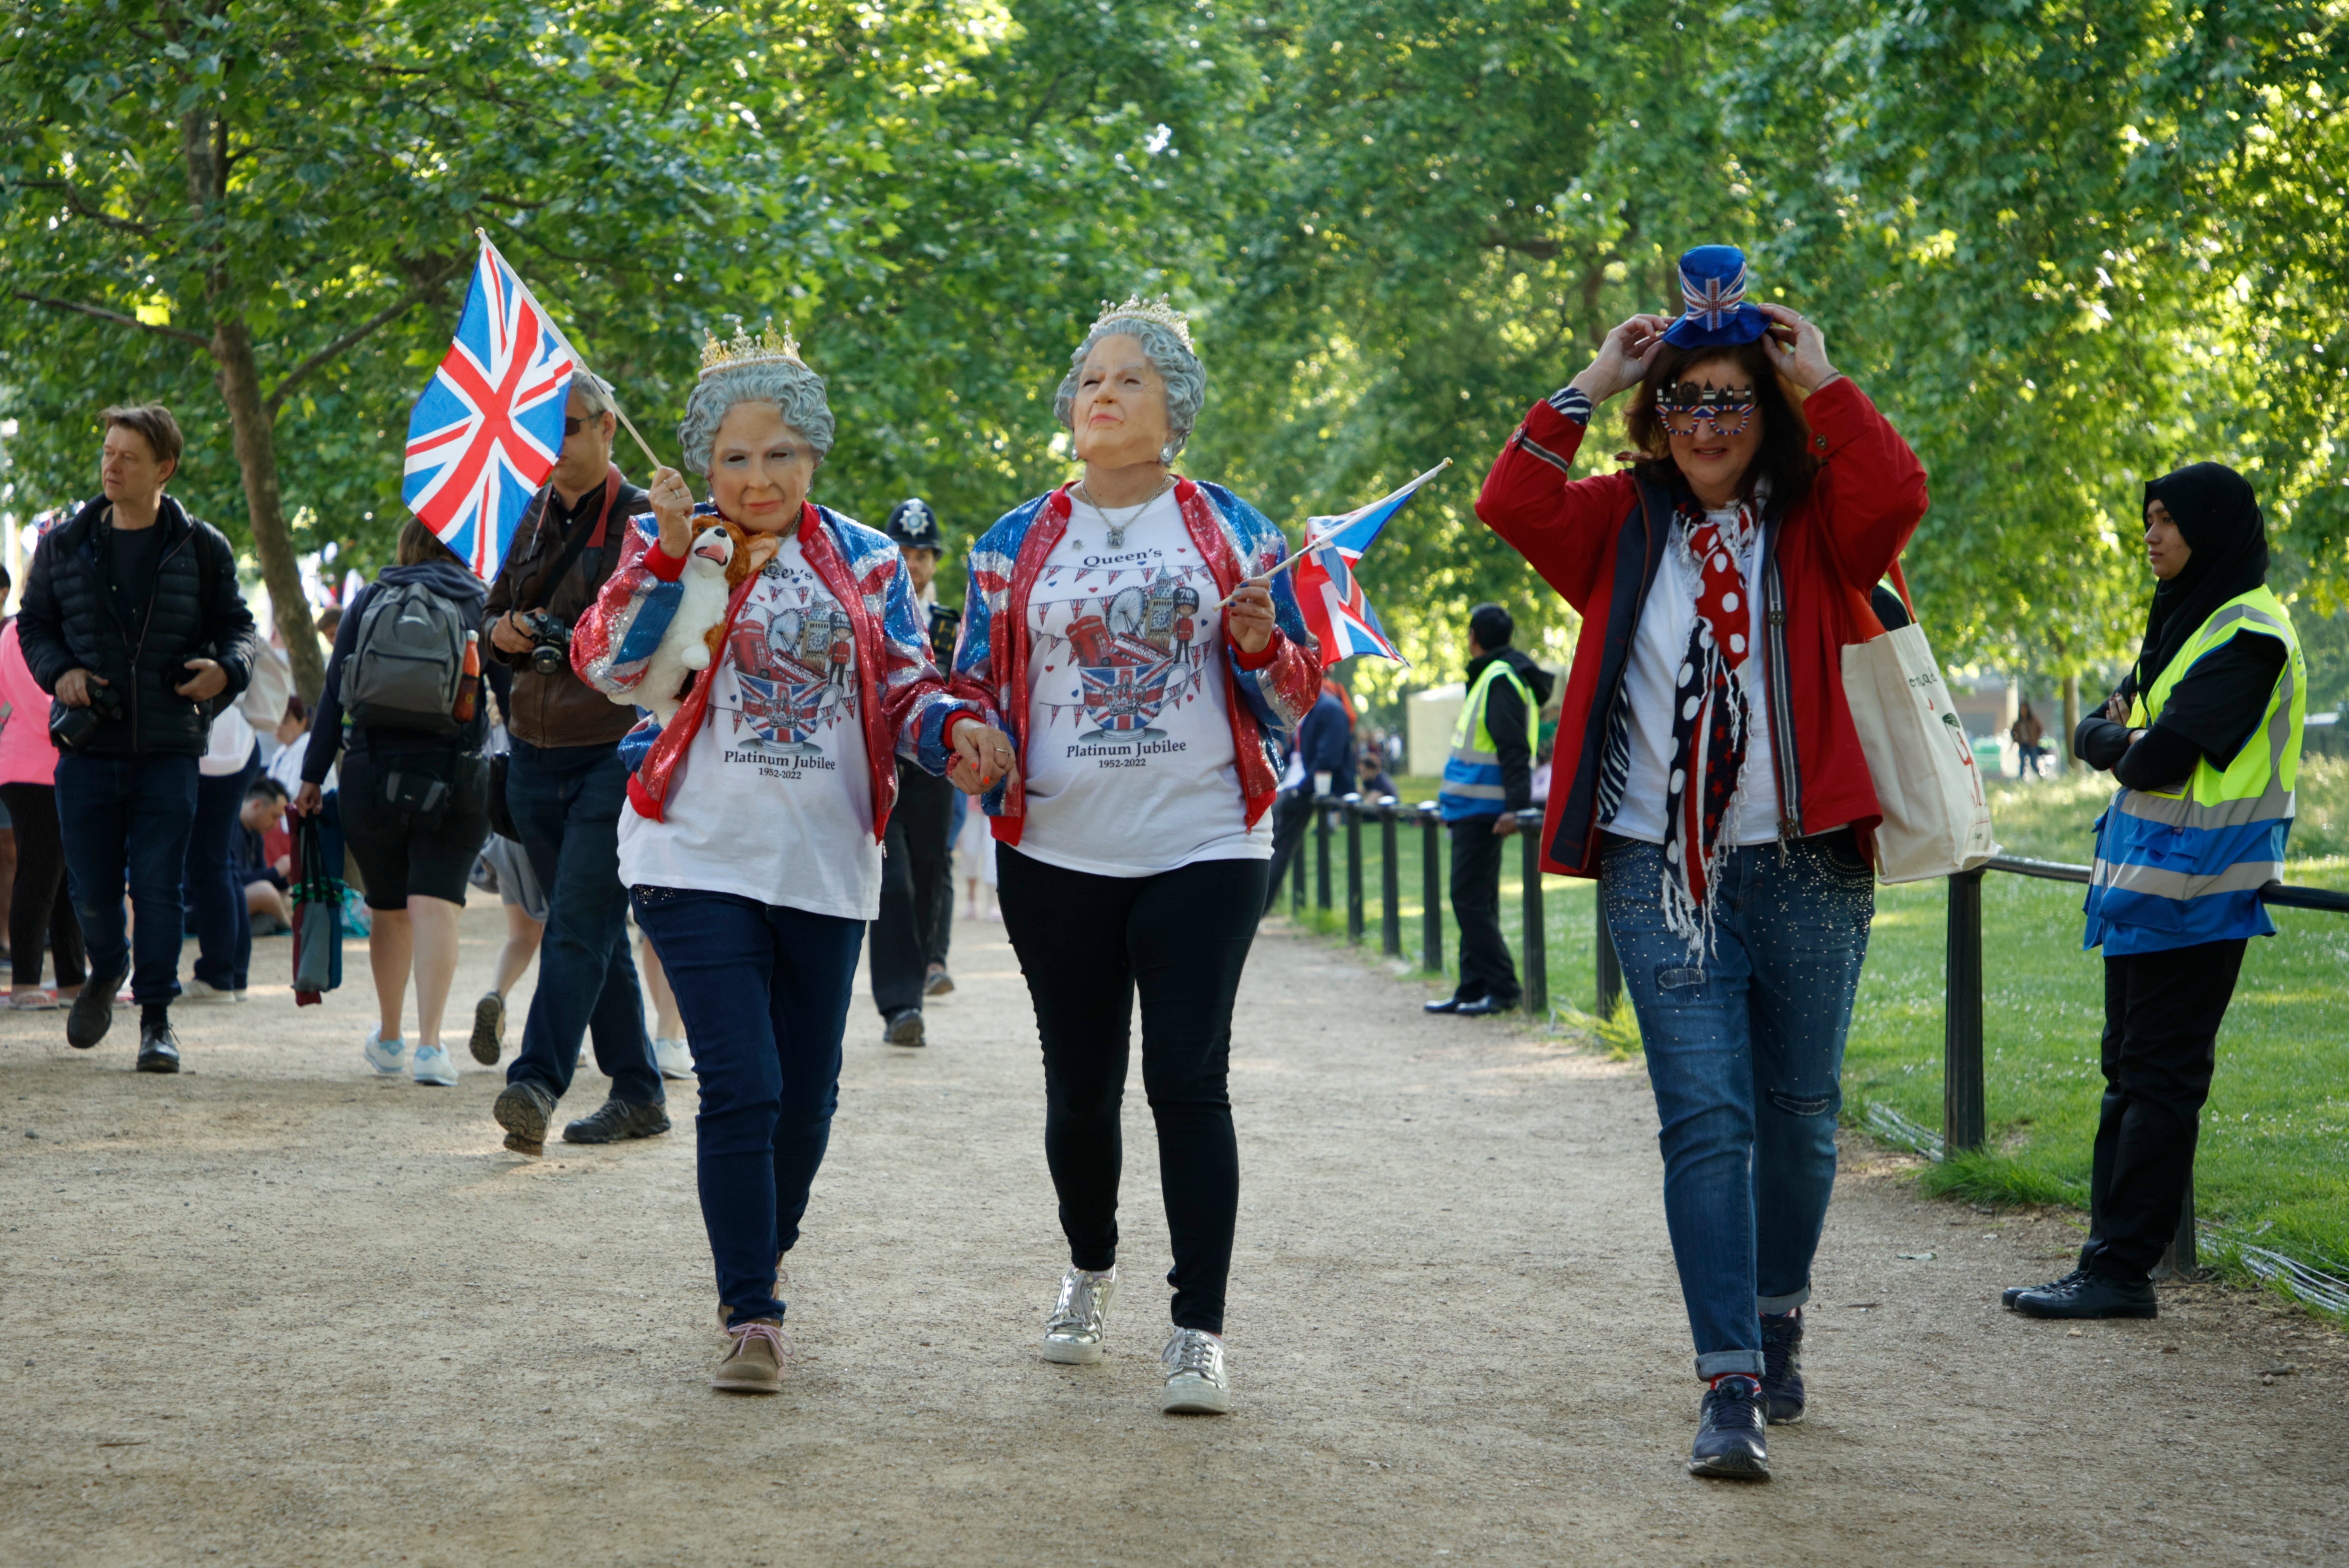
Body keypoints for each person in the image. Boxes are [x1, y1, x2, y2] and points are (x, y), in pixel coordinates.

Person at [1474, 244, 1927, 1479]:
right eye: (1683, 401)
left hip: (1807, 864)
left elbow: (1894, 497)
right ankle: (1728, 1380)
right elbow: (1511, 501)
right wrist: (1590, 378)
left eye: (1730, 400)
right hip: (1658, 871)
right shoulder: (1618, 521)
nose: (1706, 424)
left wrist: (1820, 378)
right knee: (1706, 1122)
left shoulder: (1816, 521)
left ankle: (1777, 1315)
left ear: (1764, 413)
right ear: (1656, 416)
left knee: (1801, 1117)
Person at [573, 318, 1008, 1393]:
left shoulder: (867, 559)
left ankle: (762, 1253)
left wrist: (954, 729)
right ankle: (752, 1312)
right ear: (702, 461)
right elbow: (608, 667)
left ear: (814, 453)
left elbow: (905, 687)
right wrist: (670, 560)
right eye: (733, 457)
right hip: (691, 853)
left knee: (808, 1097)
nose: (757, 478)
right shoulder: (665, 542)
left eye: (780, 454)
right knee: (746, 1084)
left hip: (824, 863)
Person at [950, 295, 1321, 1416]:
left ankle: (1198, 1329)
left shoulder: (1239, 532)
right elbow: (970, 680)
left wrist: (1262, 644)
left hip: (1206, 838)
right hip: (1055, 846)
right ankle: (1089, 1266)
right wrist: (968, 735)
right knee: (1080, 1089)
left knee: (1187, 1079)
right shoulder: (1010, 543)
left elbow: (1300, 692)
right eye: (1089, 380)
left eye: (1129, 380)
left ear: (1176, 408)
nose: (1101, 395)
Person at [2004, 464, 2303, 1322]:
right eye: (2148, 516)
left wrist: (2118, 739)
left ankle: (2123, 1271)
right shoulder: (2179, 626)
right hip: (2147, 887)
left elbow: (2151, 756)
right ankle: (2105, 1262)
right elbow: (2095, 731)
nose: (2151, 533)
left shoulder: (2250, 634)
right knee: (2127, 1074)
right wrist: (2118, 737)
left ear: (2211, 529)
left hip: (2203, 890)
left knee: (2161, 1080)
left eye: (2168, 518)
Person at [17, 403, 258, 1071]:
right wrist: (60, 672)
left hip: (168, 749)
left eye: (128, 456)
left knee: (156, 886)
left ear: (164, 469)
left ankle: (156, 1019)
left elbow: (239, 629)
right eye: (108, 453)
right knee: (90, 889)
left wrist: (227, 670)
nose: (112, 466)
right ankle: (107, 966)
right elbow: (34, 626)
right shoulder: (64, 545)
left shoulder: (203, 547)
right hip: (87, 748)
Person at [482, 370, 669, 1153]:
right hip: (531, 754)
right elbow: (490, 611)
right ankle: (639, 1092)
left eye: (567, 427)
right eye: (543, 430)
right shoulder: (528, 515)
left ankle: (535, 1082)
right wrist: (504, 633)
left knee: (578, 923)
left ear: (607, 428)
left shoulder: (648, 520)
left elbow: (659, 631)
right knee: (586, 928)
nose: (552, 445)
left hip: (612, 751)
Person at [295, 520, 492, 1087]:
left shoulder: (369, 599)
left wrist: (312, 776)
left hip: (370, 770)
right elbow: (505, 690)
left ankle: (388, 1038)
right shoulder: (480, 603)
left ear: (405, 547)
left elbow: (334, 695)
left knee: (389, 909)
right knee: (436, 906)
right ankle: (431, 1047)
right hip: (454, 773)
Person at [1428, 604, 1552, 1016]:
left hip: (1483, 808)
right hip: (1474, 806)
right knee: (1477, 900)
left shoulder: (1498, 678)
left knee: (1467, 900)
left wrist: (1516, 808)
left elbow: (1512, 747)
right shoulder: (1497, 676)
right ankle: (1472, 987)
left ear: (1474, 637)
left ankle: (1502, 987)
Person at [867, 496, 960, 1044]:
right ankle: (900, 1005)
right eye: (902, 553)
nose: (912, 563)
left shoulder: (950, 625)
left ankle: (926, 969)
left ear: (933, 562)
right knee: (892, 881)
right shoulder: (867, 615)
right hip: (883, 766)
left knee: (929, 871)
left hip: (934, 771)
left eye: (921, 554)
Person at [0, 606, 85, 1010]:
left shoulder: (70, 624)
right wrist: (86, 726)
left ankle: (72, 980)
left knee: (69, 875)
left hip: (70, 763)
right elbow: (34, 702)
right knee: (39, 868)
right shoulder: (18, 631)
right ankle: (25, 981)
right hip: (30, 767)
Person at [1262, 677, 1352, 914]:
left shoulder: (1329, 709)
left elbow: (1327, 760)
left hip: (1307, 789)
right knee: (1268, 846)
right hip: (1293, 786)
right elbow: (1301, 754)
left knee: (1277, 848)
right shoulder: (1310, 708)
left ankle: (1259, 909)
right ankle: (1258, 907)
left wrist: (1299, 790)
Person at [235, 777, 293, 930]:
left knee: (293, 894)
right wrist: (276, 871)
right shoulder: (231, 829)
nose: (275, 824)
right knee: (266, 893)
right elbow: (232, 881)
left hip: (240, 898)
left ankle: (269, 921)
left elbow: (258, 876)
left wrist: (285, 879)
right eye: (275, 816)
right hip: (204, 906)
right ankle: (287, 925)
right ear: (257, 805)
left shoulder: (256, 834)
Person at [2011, 700, 2047, 779]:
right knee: (2022, 764)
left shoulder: (2033, 720)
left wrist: (2036, 739)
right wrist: (2016, 740)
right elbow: (2013, 732)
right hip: (2023, 745)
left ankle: (2041, 778)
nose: (2023, 711)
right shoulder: (2018, 723)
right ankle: (2021, 779)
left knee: (2034, 764)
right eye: (2022, 709)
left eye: (2025, 709)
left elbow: (2040, 729)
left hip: (2032, 745)